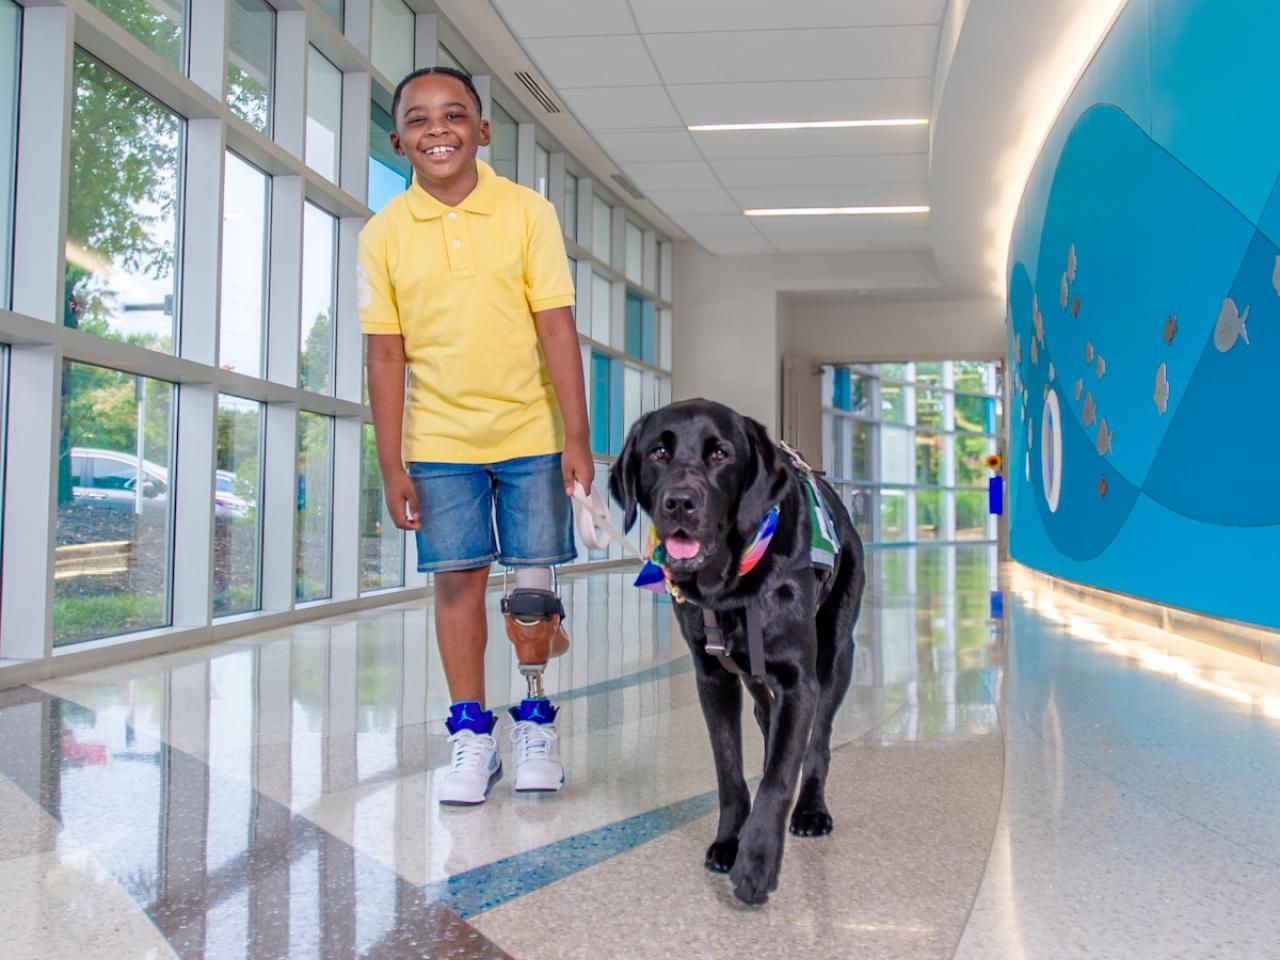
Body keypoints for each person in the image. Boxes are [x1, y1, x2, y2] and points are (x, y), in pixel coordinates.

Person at [358, 66, 593, 804]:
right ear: (398, 140)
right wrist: (391, 460)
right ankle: (470, 735)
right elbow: (386, 353)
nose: (438, 130)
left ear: (482, 131)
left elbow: (556, 326)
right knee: (456, 584)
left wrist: (578, 437)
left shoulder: (527, 212)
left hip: (530, 431)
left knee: (530, 589)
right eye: (420, 120)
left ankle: (534, 721)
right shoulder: (383, 233)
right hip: (439, 442)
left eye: (454, 115)